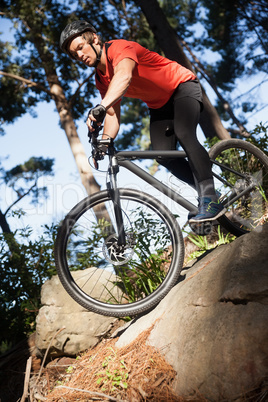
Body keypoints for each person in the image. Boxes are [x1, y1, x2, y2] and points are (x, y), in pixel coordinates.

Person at [59, 20, 225, 223]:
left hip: (181, 87)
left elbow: (124, 75)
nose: (79, 55)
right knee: (164, 156)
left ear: (94, 38)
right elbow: (112, 115)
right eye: (74, 54)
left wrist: (101, 106)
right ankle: (205, 195)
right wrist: (103, 142)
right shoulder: (101, 79)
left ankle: (210, 197)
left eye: (80, 47)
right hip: (159, 106)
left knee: (184, 133)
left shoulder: (119, 48)